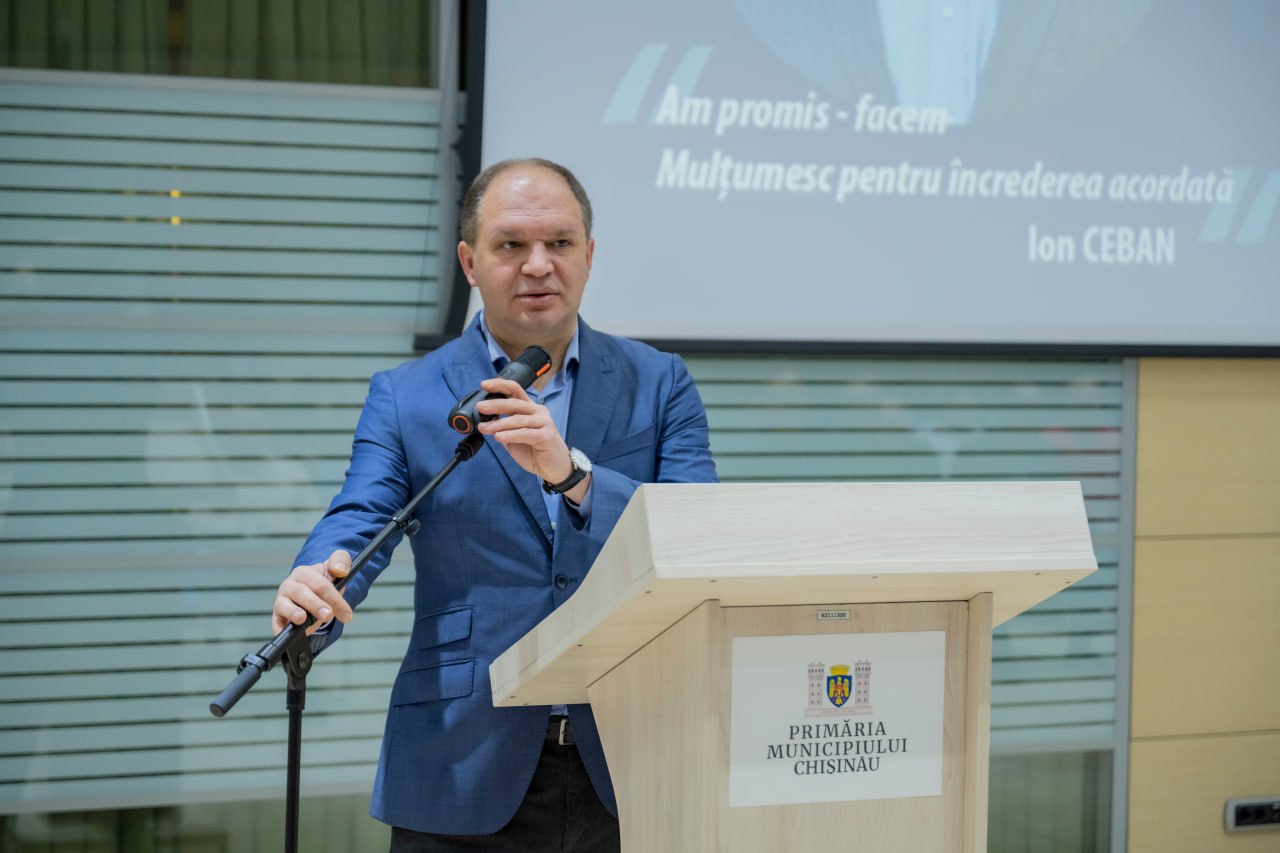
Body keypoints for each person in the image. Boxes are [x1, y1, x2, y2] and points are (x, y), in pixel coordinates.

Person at [271, 157, 718, 851]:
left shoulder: (658, 382)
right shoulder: (407, 394)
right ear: (469, 262)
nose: (538, 265)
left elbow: (698, 538)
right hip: (461, 755)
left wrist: (574, 475)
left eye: (559, 243)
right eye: (511, 244)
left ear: (589, 256)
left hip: (635, 753)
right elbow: (361, 518)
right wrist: (315, 588)